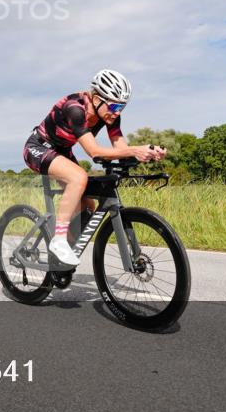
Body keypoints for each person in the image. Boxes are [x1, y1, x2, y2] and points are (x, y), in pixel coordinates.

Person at [22, 69, 166, 266]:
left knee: (88, 206)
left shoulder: (111, 116)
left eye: (122, 107)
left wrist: (147, 153)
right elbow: (94, 152)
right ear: (97, 98)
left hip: (62, 151)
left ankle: (59, 261)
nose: (117, 112)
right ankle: (59, 240)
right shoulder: (75, 109)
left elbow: (121, 148)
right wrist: (135, 150)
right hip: (38, 147)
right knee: (78, 177)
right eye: (114, 105)